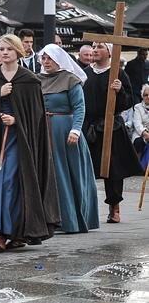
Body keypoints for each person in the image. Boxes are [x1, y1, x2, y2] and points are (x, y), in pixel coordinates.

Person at [0, 34, 60, 252]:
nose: (4, 52)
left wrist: (17, 119)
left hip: (21, 139)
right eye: (1, 48)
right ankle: (0, 232)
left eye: (9, 49)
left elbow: (37, 116)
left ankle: (17, 232)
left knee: (16, 182)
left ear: (19, 52)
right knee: (1, 182)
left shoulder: (29, 79)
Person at [38, 44, 99, 233]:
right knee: (50, 174)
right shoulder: (37, 80)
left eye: (50, 58)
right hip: (44, 132)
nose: (46, 62)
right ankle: (50, 218)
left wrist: (75, 130)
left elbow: (80, 107)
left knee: (67, 174)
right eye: (44, 58)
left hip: (65, 133)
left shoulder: (71, 80)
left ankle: (71, 219)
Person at [82, 42, 144, 223]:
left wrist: (119, 91)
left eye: (100, 46)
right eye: (93, 46)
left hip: (112, 126)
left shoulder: (118, 74)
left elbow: (129, 101)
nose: (94, 49)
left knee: (113, 170)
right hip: (89, 126)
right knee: (85, 168)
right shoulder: (85, 74)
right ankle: (85, 208)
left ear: (109, 52)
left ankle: (114, 207)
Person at [130, 84, 149, 167]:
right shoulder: (138, 107)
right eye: (146, 95)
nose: (148, 97)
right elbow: (137, 123)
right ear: (142, 96)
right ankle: (139, 166)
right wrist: (144, 133)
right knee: (139, 142)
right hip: (140, 132)